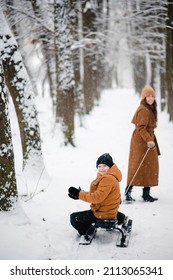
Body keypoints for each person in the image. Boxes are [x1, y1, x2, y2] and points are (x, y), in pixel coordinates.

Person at [68, 153, 127, 237]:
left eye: (105, 166)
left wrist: (79, 194)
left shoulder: (107, 178)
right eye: (99, 166)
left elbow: (97, 197)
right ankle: (119, 216)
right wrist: (80, 194)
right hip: (108, 209)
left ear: (110, 167)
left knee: (74, 218)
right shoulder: (109, 176)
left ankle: (89, 231)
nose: (102, 168)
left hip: (102, 213)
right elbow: (101, 193)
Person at [125, 85, 160, 203]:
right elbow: (140, 128)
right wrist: (149, 140)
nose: (150, 98)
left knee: (149, 166)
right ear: (144, 98)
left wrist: (150, 140)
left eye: (152, 96)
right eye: (148, 96)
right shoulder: (143, 110)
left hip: (148, 140)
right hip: (141, 141)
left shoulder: (150, 108)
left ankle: (146, 194)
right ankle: (127, 192)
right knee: (137, 166)